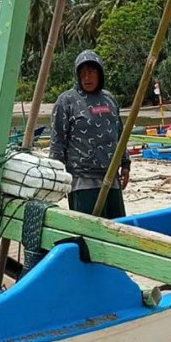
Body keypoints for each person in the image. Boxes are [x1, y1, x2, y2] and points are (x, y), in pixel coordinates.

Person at [50, 50, 130, 218]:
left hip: (111, 177)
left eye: (91, 72)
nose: (87, 77)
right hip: (82, 180)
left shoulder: (109, 99)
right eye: (83, 73)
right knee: (88, 232)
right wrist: (57, 174)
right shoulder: (66, 101)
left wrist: (125, 163)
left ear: (99, 73)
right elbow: (58, 141)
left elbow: (120, 134)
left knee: (117, 228)